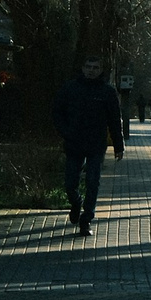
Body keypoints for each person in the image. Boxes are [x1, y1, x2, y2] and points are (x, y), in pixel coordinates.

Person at [52, 56, 127, 237]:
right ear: (83, 68)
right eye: (88, 66)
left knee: (93, 182)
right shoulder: (71, 88)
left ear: (100, 70)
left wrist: (119, 145)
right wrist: (65, 132)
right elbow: (57, 112)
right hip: (74, 142)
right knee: (70, 183)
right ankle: (76, 202)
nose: (91, 70)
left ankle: (86, 220)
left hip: (96, 143)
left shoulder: (107, 92)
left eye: (95, 67)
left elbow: (114, 120)